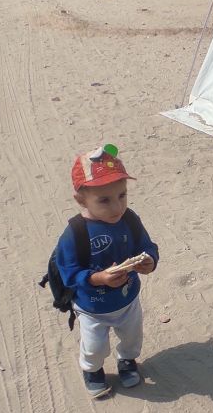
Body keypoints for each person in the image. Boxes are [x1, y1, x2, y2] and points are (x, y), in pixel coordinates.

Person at [55, 146, 158, 398]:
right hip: (92, 307)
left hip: (128, 300)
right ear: (82, 200)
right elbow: (68, 272)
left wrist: (150, 261)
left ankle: (127, 361)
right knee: (94, 346)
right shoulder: (75, 233)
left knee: (132, 337)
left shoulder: (129, 219)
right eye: (104, 200)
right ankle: (92, 370)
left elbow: (147, 245)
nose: (116, 207)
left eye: (122, 195)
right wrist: (97, 278)